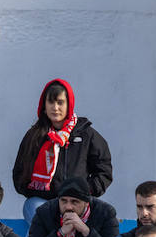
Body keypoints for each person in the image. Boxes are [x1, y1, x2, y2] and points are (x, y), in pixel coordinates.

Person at [12, 78, 113, 220]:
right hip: (45, 202)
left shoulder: (86, 134)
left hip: (78, 202)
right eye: (51, 102)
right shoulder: (34, 135)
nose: (55, 107)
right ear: (44, 105)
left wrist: (84, 190)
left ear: (69, 105)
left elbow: (104, 171)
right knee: (33, 206)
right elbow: (20, 172)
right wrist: (37, 190)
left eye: (60, 102)